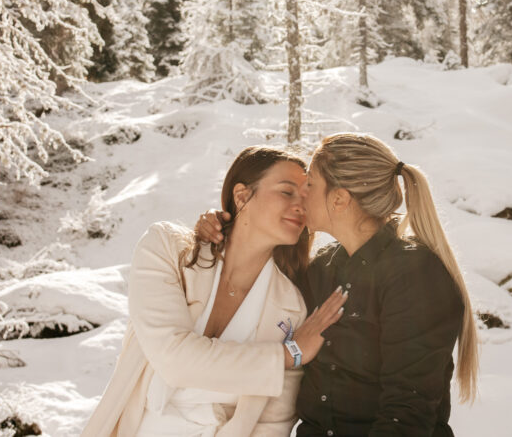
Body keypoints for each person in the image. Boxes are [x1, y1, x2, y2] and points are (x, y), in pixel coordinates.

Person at [198, 134, 478, 436]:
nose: (302, 195)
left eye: (311, 185)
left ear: (339, 199)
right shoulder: (322, 269)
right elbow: (257, 283)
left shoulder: (415, 275)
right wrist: (223, 227)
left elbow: (407, 412)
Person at [82, 146, 348, 437]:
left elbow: (272, 423)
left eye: (306, 197)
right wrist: (285, 355)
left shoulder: (292, 306)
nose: (301, 205)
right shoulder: (166, 249)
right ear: (242, 196)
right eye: (287, 192)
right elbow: (173, 359)